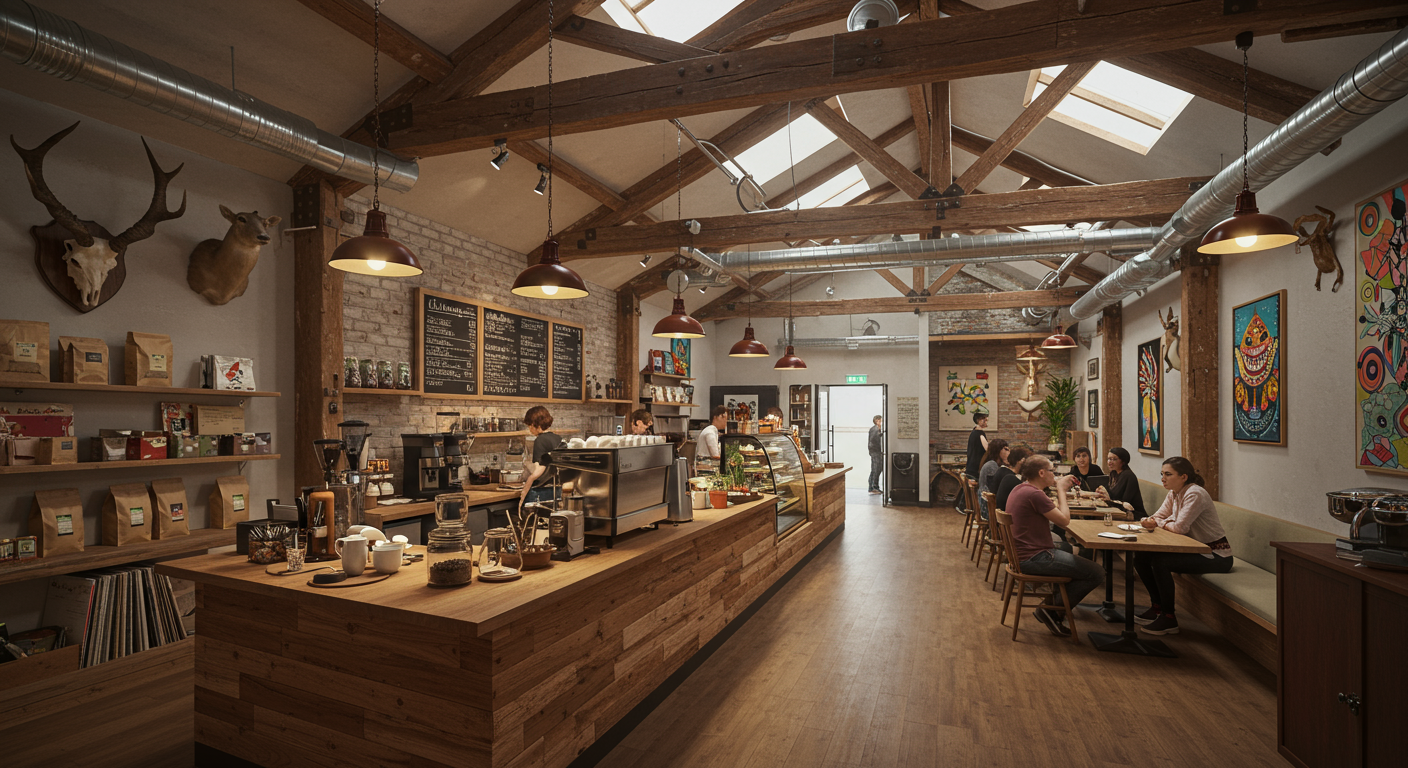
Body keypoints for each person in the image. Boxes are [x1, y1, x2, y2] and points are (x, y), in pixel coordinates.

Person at [1005, 454, 1104, 637]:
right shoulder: (1035, 494)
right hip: (1034, 558)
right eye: (1052, 471)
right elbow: (1065, 521)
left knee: (1070, 553)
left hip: (1022, 556)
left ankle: (1053, 608)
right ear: (1042, 473)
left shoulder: (1020, 488)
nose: (1055, 474)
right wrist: (1060, 489)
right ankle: (1051, 610)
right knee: (1096, 572)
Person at [1133, 456, 1233, 636]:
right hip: (1193, 550)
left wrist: (1159, 523)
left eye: (1168, 474)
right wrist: (1154, 521)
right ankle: (1157, 607)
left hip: (1216, 556)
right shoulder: (1174, 492)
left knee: (1160, 561)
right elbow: (1157, 516)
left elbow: (1179, 528)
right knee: (1141, 557)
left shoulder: (1195, 493)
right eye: (1162, 474)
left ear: (1184, 476)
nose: (1163, 478)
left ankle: (1169, 617)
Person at [521, 406, 563, 509]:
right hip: (557, 490)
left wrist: (524, 491)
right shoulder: (557, 438)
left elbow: (538, 472)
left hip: (541, 492)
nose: (529, 429)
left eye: (530, 425)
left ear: (537, 425)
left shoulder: (540, 441)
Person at [1096, 447, 1146, 519]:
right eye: (1109, 459)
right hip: (1116, 510)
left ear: (1123, 461)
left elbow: (1126, 503)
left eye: (1114, 459)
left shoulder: (1128, 476)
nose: (1110, 462)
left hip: (1132, 514)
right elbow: (1111, 494)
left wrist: (1108, 498)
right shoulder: (1113, 473)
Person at [992, 446, 1033, 512]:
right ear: (1021, 461)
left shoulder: (1002, 470)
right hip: (1007, 516)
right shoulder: (1010, 478)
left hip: (998, 513)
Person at [976, 438, 1009, 517]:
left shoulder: (992, 463)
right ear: (998, 450)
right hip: (988, 508)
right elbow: (995, 488)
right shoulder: (992, 465)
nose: (1008, 452)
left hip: (987, 504)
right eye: (1005, 449)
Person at [963, 411, 990, 480]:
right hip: (976, 470)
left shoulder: (973, 432)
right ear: (979, 420)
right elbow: (988, 450)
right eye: (985, 420)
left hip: (970, 468)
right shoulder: (979, 434)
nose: (986, 422)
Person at [867, 415, 885, 495]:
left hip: (876, 452)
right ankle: (874, 487)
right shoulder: (875, 429)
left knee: (876, 468)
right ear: (877, 421)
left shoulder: (876, 429)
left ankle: (873, 486)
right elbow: (873, 441)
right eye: (881, 420)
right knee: (876, 468)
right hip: (876, 452)